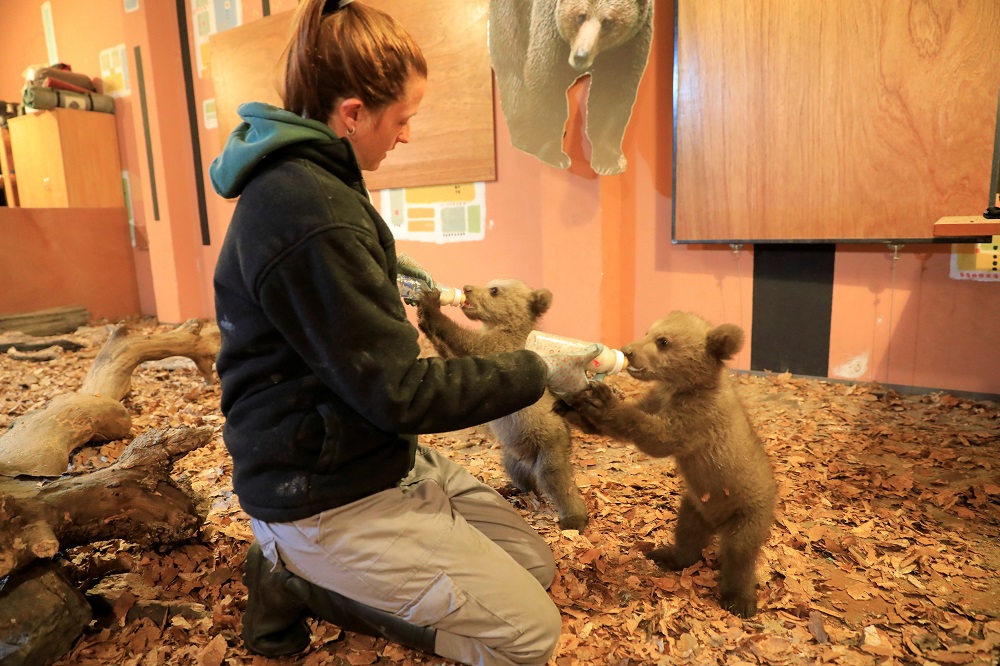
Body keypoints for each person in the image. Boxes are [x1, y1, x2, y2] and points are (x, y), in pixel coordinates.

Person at [209, 1, 600, 664]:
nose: (409, 135)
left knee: (535, 569)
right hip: (322, 487)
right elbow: (404, 392)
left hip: (370, 450)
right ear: (353, 112)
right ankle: (293, 577)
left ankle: (394, 558)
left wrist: (379, 270)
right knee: (532, 635)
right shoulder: (311, 211)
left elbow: (337, 324)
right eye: (403, 118)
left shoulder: (313, 178)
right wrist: (536, 367)